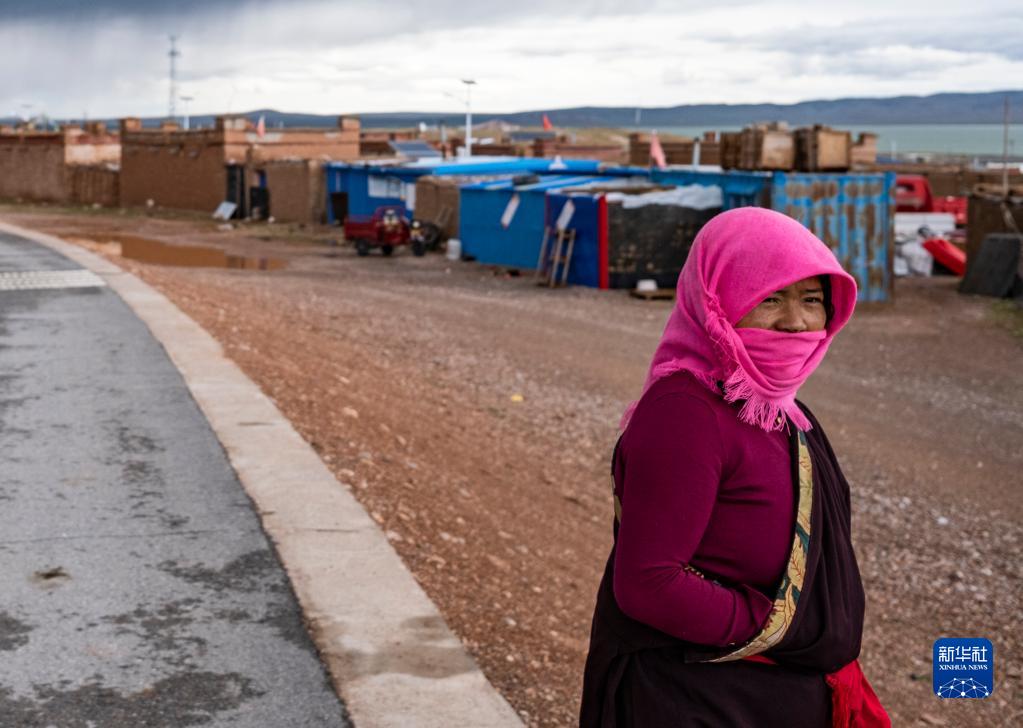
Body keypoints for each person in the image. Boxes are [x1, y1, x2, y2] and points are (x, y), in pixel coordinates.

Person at [579, 207, 890, 727]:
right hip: (695, 699)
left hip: (770, 692)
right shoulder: (686, 413)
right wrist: (775, 625)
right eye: (769, 298)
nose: (795, 322)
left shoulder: (784, 412)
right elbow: (648, 583)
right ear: (716, 301)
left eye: (812, 300)